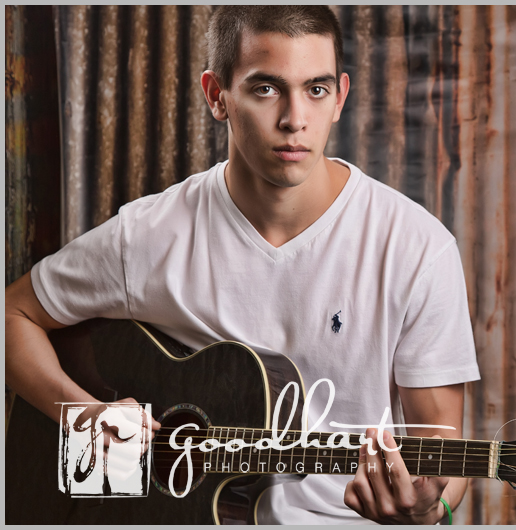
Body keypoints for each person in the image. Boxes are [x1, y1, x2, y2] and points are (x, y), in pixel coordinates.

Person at [5, 6, 480, 525]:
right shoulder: (149, 236)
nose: (295, 119)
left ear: (340, 96)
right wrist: (83, 416)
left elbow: (445, 459)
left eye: (316, 90)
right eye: (266, 89)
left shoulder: (416, 249)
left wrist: (430, 509)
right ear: (217, 96)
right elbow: (13, 315)